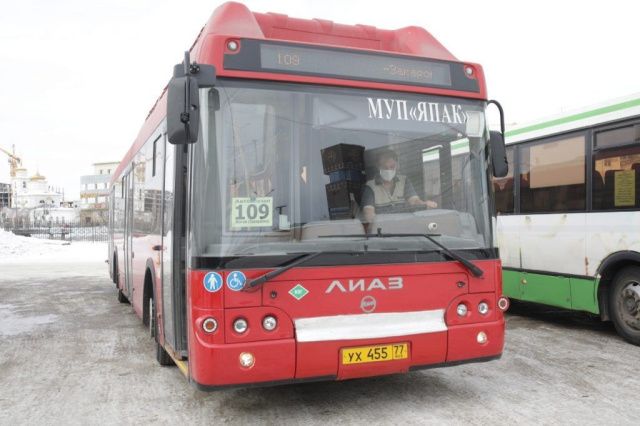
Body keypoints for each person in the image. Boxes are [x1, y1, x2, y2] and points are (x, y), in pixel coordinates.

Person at [361, 149, 437, 224]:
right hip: (383, 228)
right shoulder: (370, 186)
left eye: (392, 167)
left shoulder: (404, 180)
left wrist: (424, 204)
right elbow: (368, 212)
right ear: (378, 167)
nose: (388, 170)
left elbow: (414, 201)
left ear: (397, 166)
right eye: (385, 167)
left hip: (404, 225)